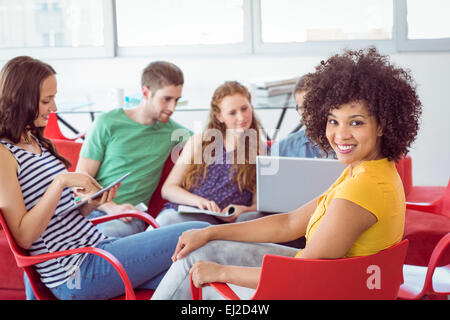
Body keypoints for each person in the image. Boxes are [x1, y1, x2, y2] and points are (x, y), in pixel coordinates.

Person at [151, 47, 423, 300]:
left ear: (382, 125)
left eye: (356, 122)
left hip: (315, 291)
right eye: (332, 120)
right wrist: (211, 234)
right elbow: (290, 223)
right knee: (201, 249)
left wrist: (221, 272)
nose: (340, 134)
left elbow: (301, 274)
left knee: (193, 264)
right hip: (327, 282)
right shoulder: (365, 170)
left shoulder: (363, 188)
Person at [0, 56, 208, 300]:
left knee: (195, 274)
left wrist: (92, 204)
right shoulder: (4, 154)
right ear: (21, 99)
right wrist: (60, 183)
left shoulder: (35, 142)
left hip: (97, 249)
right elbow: (24, 236)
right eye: (47, 100)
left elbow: (59, 218)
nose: (54, 108)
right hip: (78, 272)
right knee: (200, 230)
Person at [76, 61, 192, 238]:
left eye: (177, 100)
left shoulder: (175, 132)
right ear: (146, 92)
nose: (172, 108)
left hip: (128, 218)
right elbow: (81, 181)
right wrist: (112, 208)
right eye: (166, 99)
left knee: (101, 244)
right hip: (87, 211)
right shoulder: (107, 123)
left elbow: (214, 142)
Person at [155, 81, 268, 227]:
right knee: (167, 222)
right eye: (232, 113)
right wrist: (199, 201)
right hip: (184, 213)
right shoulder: (199, 142)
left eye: (244, 109)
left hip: (218, 226)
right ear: (219, 116)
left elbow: (259, 205)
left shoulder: (260, 150)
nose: (241, 117)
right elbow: (168, 189)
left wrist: (244, 210)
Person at [270, 75, 325, 158]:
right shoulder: (281, 150)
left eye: (312, 106)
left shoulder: (341, 145)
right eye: (303, 108)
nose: (309, 114)